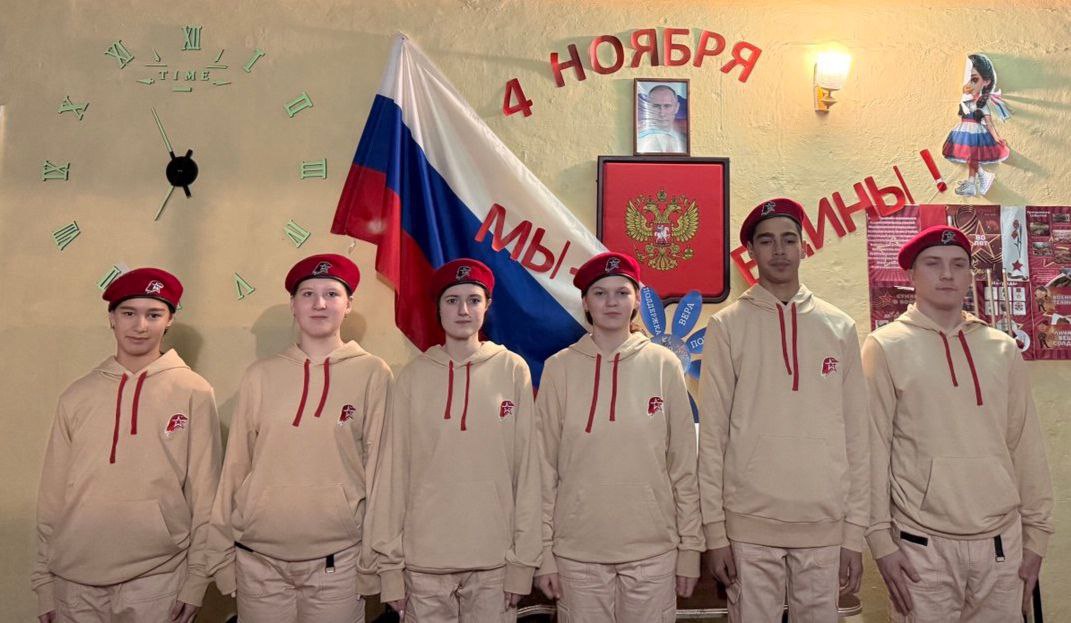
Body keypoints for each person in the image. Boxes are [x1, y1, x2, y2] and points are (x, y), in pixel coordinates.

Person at [865, 226, 1054, 622]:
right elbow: (872, 448)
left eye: (958, 265)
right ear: (911, 276)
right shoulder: (884, 346)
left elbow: (1025, 445)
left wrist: (1037, 537)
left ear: (971, 275)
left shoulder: (1002, 348)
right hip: (921, 547)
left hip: (1001, 546)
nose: (947, 274)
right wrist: (880, 541)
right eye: (933, 264)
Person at [698, 198, 869, 622]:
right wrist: (715, 533)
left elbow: (857, 437)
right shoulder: (727, 326)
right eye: (767, 241)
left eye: (789, 240)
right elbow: (713, 436)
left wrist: (854, 533)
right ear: (750, 252)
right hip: (748, 525)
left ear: (803, 247)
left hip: (824, 523)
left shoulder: (839, 326)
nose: (779, 250)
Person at [205, 253, 392, 623]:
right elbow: (235, 467)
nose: (319, 303)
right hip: (257, 560)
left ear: (348, 304)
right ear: (293, 305)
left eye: (331, 294)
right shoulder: (260, 375)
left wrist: (376, 562)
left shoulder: (373, 373)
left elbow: (382, 471)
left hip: (338, 560)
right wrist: (219, 556)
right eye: (308, 294)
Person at [31, 268, 222, 623]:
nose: (140, 326)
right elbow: (52, 495)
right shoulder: (77, 395)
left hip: (158, 577)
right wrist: (44, 581)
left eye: (154, 314)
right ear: (112, 318)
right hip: (73, 578)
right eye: (129, 313)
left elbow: (206, 493)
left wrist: (197, 580)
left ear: (169, 320)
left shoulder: (194, 391)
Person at [367, 258, 541, 622]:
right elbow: (393, 475)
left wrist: (523, 562)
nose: (463, 310)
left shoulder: (512, 369)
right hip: (423, 563)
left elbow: (528, 471)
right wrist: (390, 569)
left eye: (474, 300)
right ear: (438, 308)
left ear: (487, 306)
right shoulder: (412, 377)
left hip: (495, 563)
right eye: (452, 300)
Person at [533, 251, 703, 623]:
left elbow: (683, 467)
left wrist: (691, 548)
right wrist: (543, 552)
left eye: (622, 292)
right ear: (585, 303)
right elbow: (542, 470)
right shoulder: (559, 369)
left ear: (637, 300)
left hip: (653, 553)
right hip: (576, 555)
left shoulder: (664, 365)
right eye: (600, 293)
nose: (611, 302)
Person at [942, 54, 1010, 197]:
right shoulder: (966, 100)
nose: (970, 84)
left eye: (974, 79)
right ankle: (973, 182)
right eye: (968, 80)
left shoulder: (982, 104)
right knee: (970, 156)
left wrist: (996, 138)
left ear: (986, 81)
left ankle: (980, 177)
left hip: (975, 131)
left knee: (970, 155)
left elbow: (989, 123)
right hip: (963, 129)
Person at [637, 84, 687, 154]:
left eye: (667, 106)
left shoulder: (685, 140)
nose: (662, 113)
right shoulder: (638, 140)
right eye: (656, 106)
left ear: (676, 107)